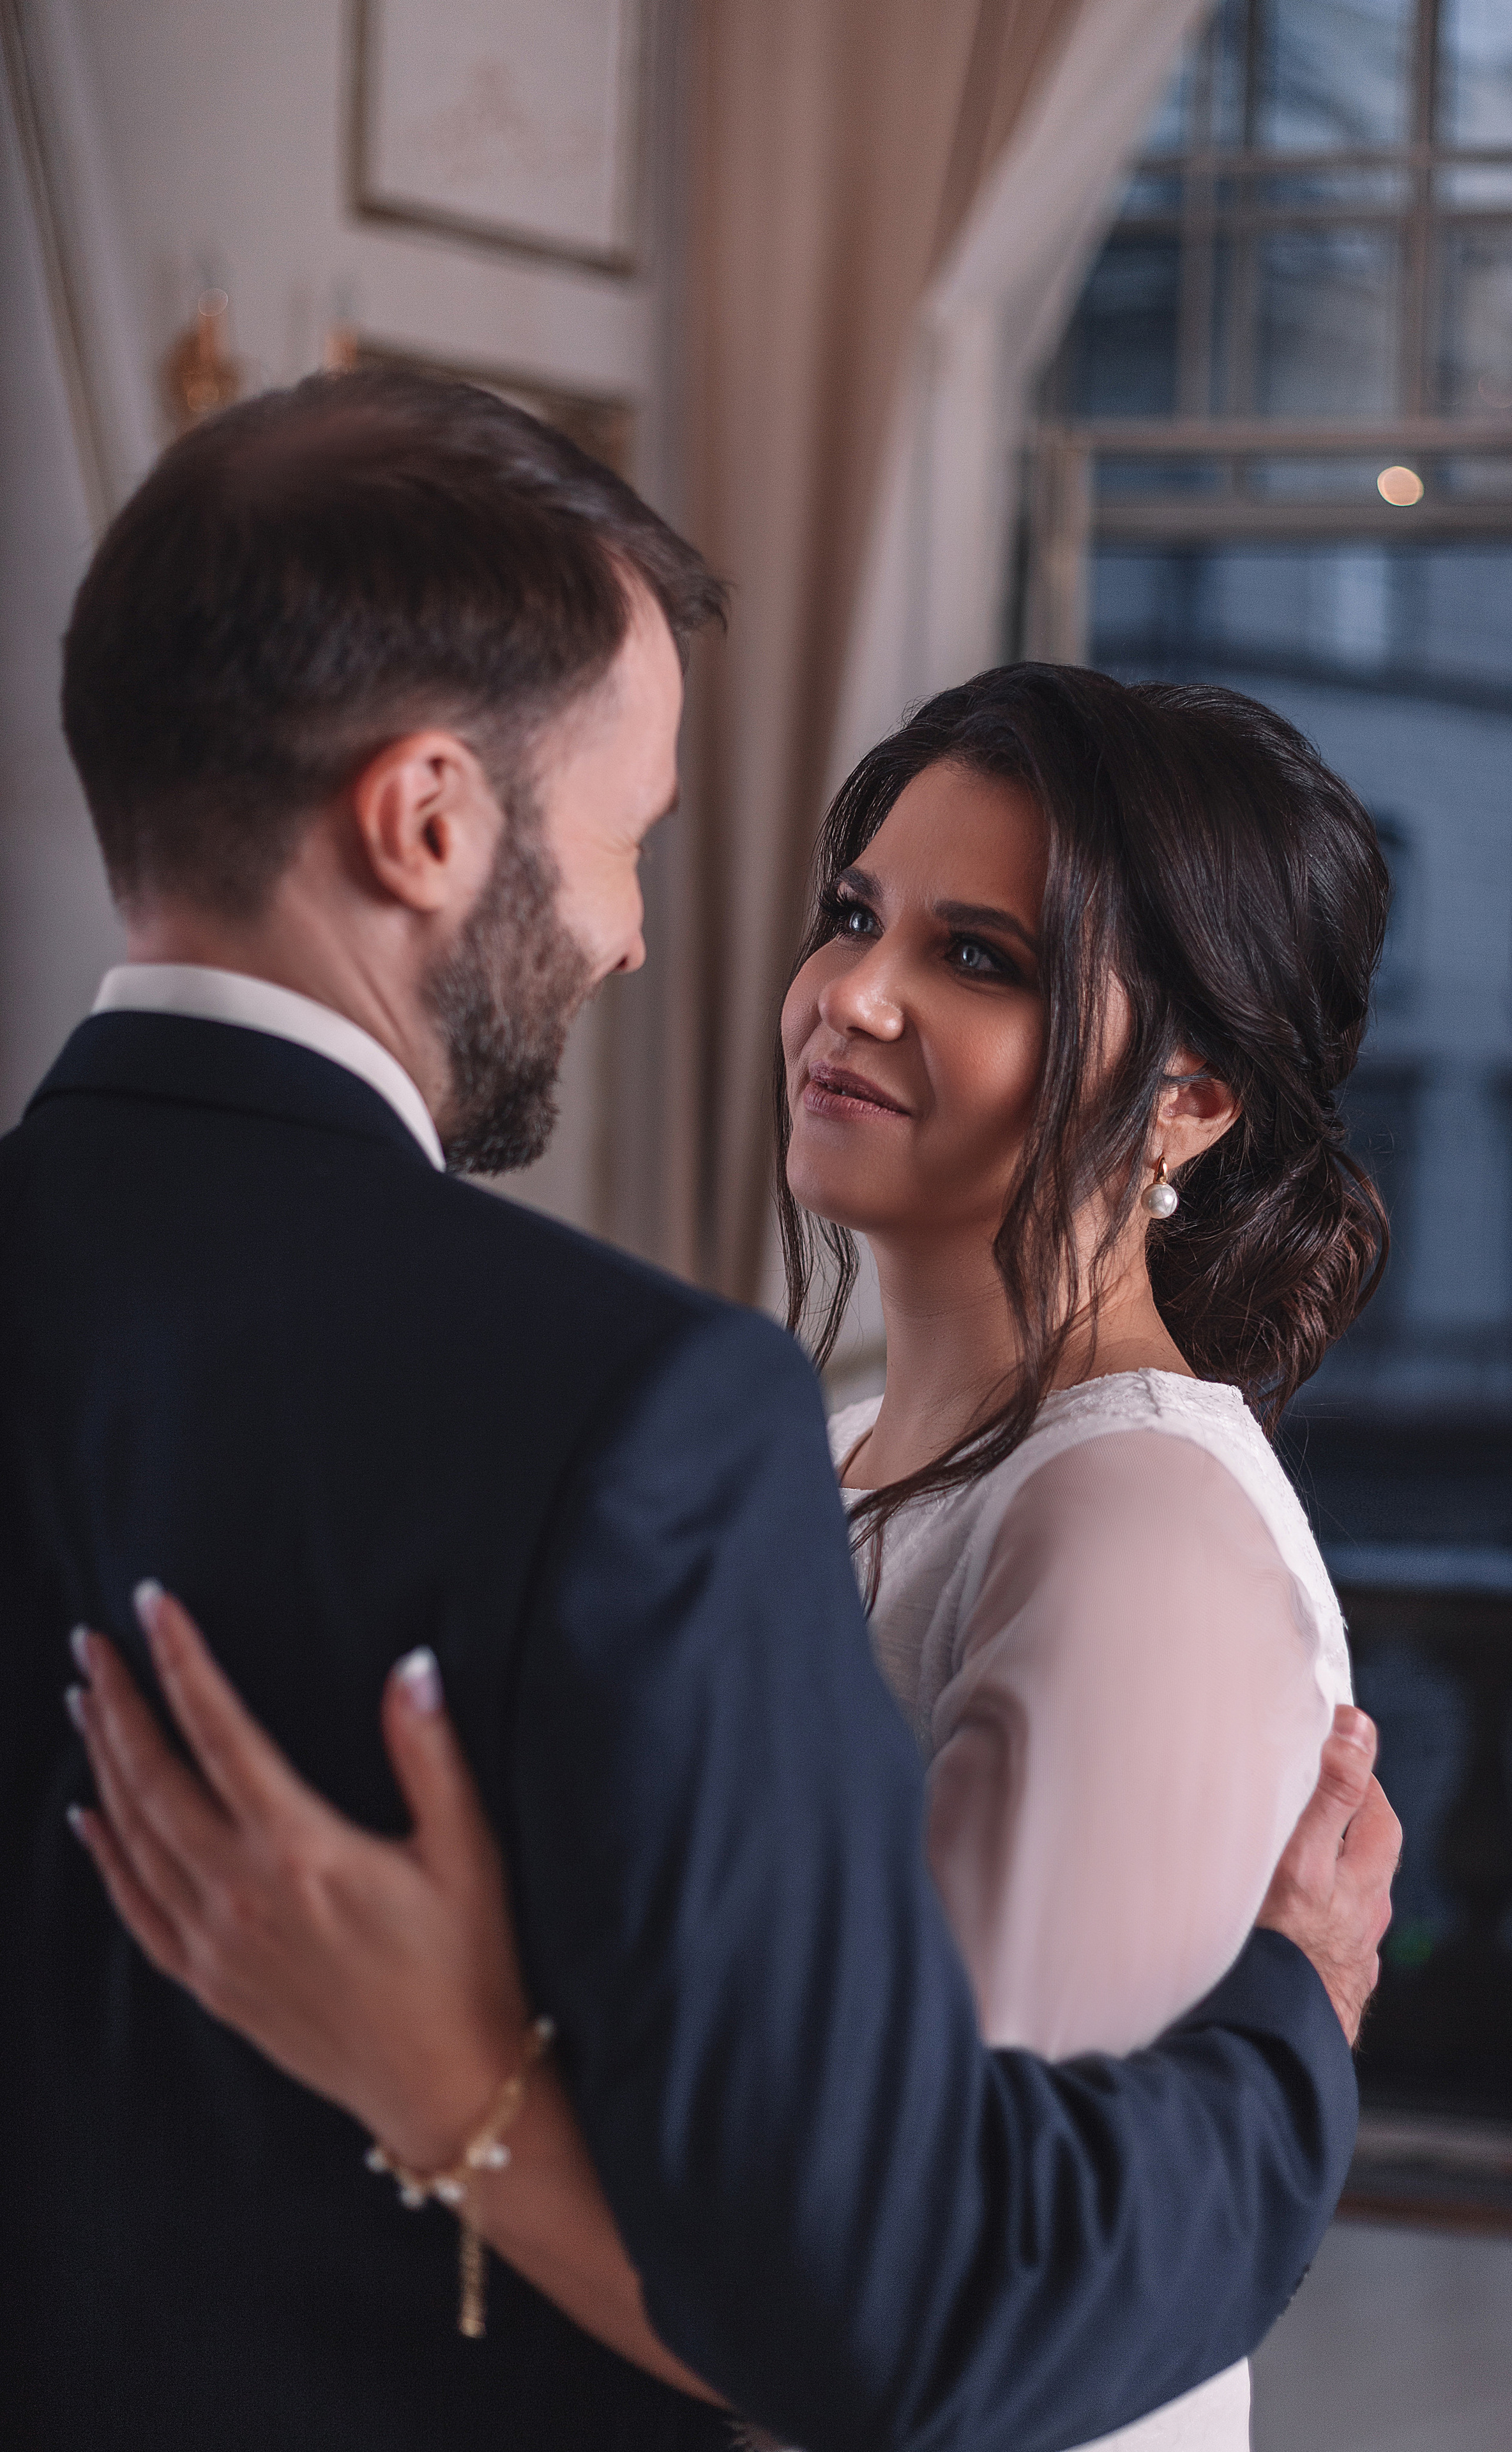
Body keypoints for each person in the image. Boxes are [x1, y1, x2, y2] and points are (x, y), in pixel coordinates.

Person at [0, 371, 1395, 2452]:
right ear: (430, 821)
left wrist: (459, 2077)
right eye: (846, 915)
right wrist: (1299, 2039)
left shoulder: (1131, 1529)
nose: (809, 980)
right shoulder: (679, 1430)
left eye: (982, 954)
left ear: (1194, 1101)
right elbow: (912, 2298)